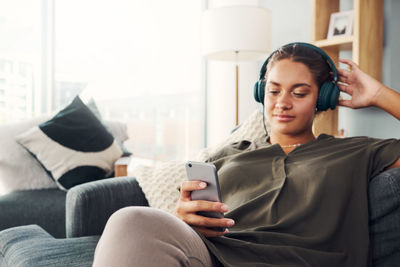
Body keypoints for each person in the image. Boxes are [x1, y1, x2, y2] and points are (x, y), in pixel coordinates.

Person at [92, 43, 400, 267]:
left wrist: (378, 96)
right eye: (274, 90)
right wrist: (181, 218)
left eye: (299, 92)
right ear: (260, 93)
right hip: (217, 256)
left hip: (302, 260)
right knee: (130, 219)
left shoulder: (356, 151)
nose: (283, 102)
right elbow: (188, 222)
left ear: (323, 98)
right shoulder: (228, 154)